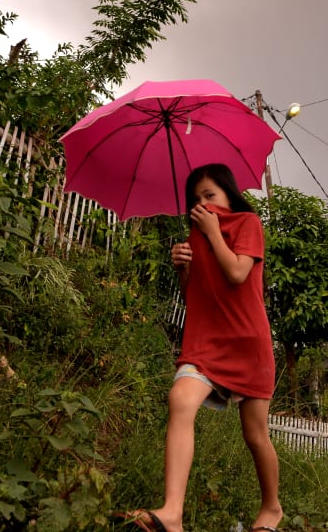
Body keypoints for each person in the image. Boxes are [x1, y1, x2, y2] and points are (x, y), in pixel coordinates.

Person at [126, 164, 282, 532]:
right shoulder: (195, 235)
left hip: (248, 344)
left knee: (255, 435)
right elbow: (195, 298)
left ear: (229, 194)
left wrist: (213, 234)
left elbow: (237, 273)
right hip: (206, 343)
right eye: (196, 199)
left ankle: (272, 508)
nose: (203, 204)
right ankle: (172, 513)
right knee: (180, 398)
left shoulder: (247, 224)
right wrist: (183, 268)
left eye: (210, 195)